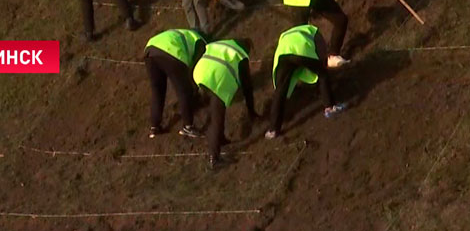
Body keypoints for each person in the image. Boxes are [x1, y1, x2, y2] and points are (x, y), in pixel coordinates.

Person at [265, 24, 348, 140]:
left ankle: (273, 130)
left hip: (283, 54)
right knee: (322, 73)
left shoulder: (290, 33)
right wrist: (325, 62)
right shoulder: (315, 32)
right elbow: (320, 57)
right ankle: (330, 107)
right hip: (300, 50)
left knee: (280, 91)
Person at [191, 38, 258, 169]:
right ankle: (214, 159)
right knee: (217, 118)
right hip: (217, 79)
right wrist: (252, 111)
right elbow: (247, 86)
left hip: (199, 72)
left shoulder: (222, 44)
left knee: (215, 110)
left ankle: (220, 139)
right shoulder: (241, 55)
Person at [144, 28, 206, 139]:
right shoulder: (200, 41)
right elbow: (197, 68)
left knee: (157, 91)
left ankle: (155, 127)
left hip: (150, 50)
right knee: (184, 91)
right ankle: (188, 127)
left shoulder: (184, 34)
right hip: (170, 50)